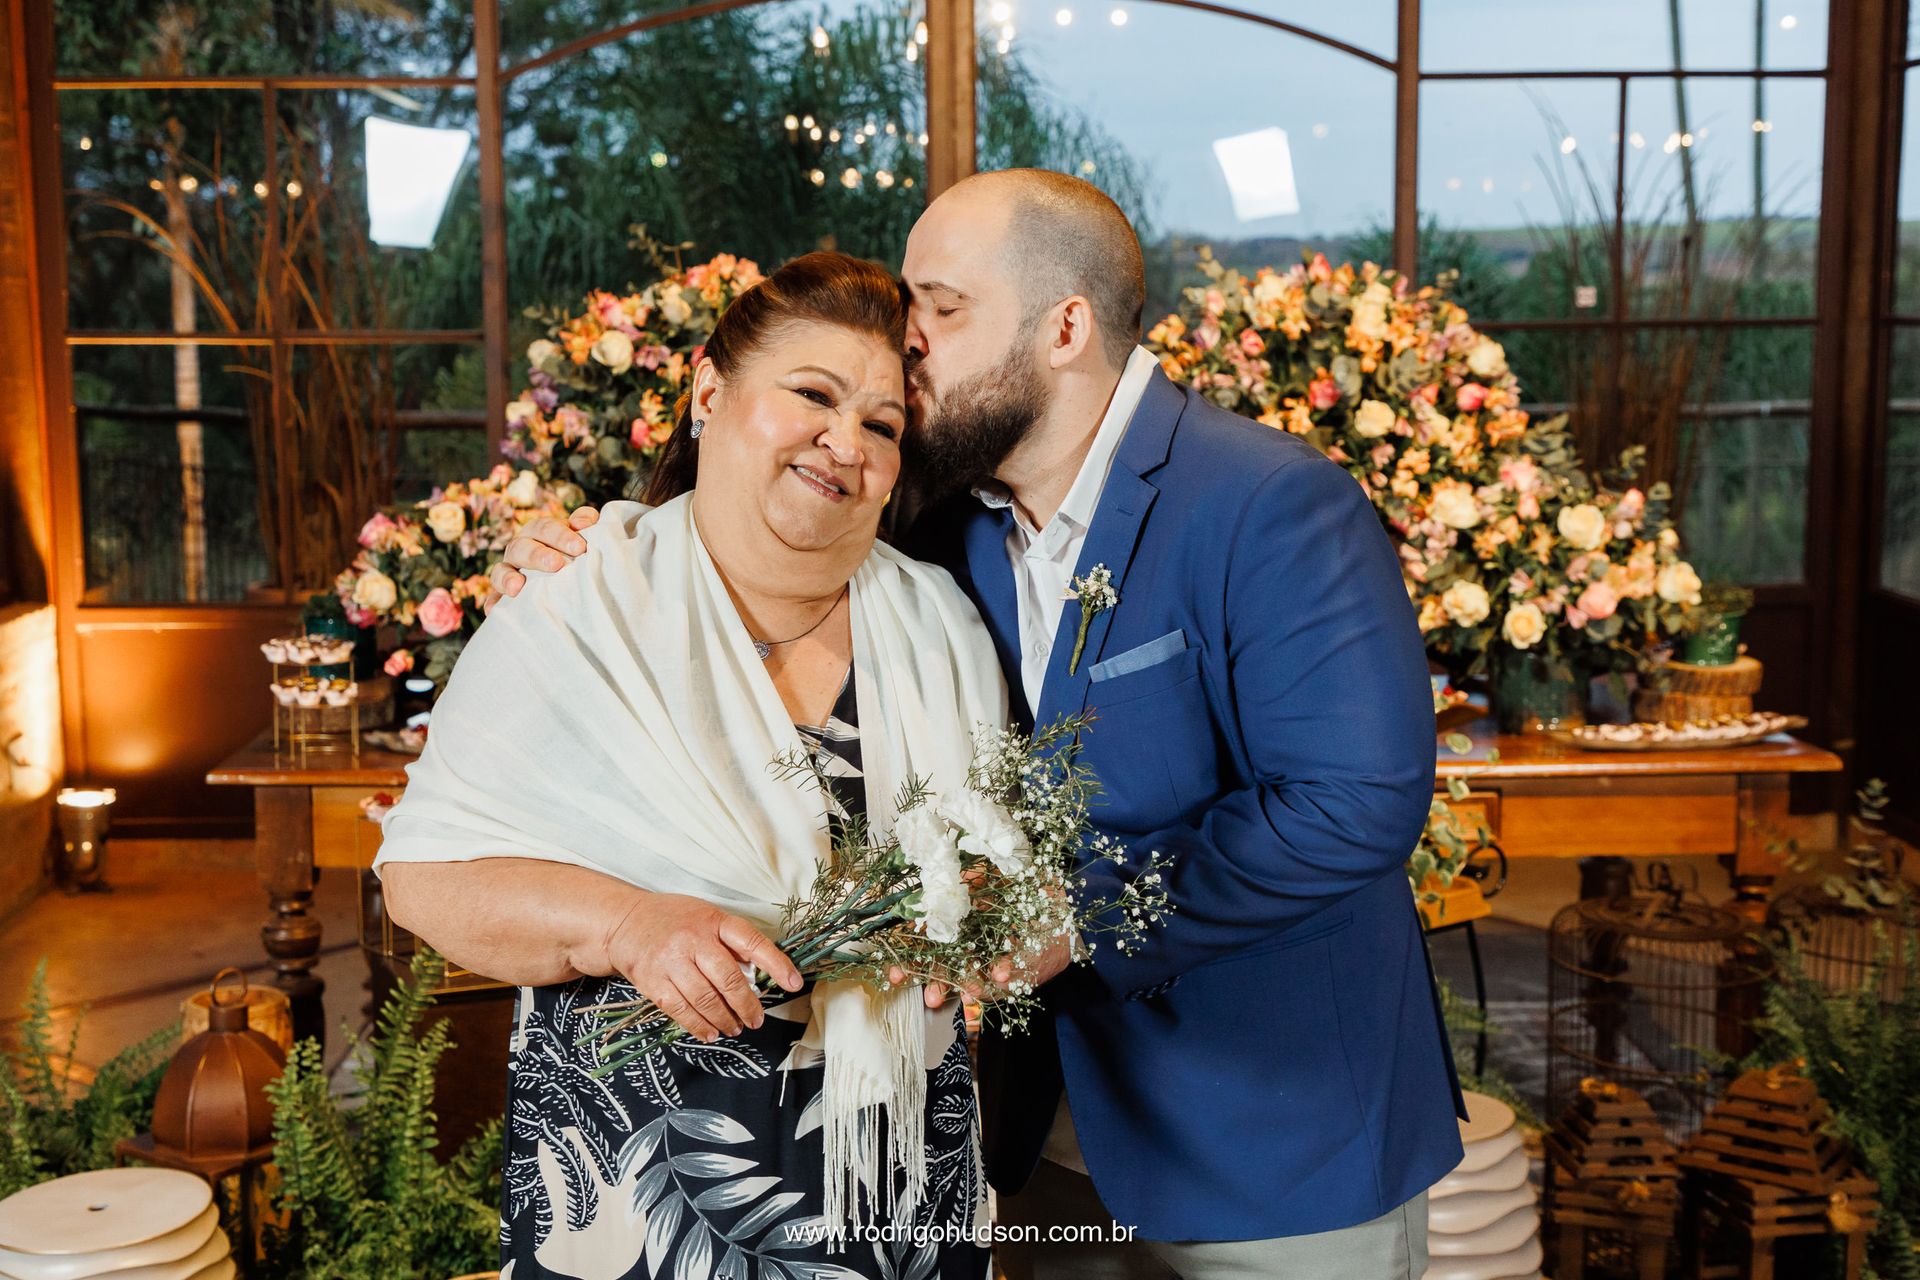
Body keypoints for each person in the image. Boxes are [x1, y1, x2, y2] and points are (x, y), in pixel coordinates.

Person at [490, 170, 1464, 1280]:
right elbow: (753, 530)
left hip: (1276, 1143)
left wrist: (1073, 920)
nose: (906, 343)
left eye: (943, 309)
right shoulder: (946, 519)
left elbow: (1355, 802)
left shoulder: (1270, 499)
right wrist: (596, 555)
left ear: (1065, 328)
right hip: (1043, 1139)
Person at [378, 252, 1007, 1280]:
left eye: (883, 425)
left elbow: (992, 862)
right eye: (814, 395)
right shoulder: (583, 604)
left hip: (898, 1180)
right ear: (709, 392)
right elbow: (422, 875)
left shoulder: (939, 624)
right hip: (639, 1194)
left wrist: (978, 915)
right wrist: (624, 924)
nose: (846, 442)